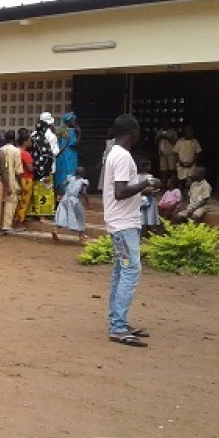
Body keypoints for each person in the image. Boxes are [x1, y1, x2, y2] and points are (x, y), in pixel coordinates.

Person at [103, 113, 158, 347]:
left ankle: (118, 321)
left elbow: (121, 190)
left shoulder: (114, 153)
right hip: (123, 224)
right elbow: (120, 192)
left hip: (121, 222)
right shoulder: (123, 156)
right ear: (132, 132)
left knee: (121, 271)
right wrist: (146, 182)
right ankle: (117, 326)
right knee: (131, 271)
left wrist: (141, 190)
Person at [28, 113, 58, 219]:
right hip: (47, 169)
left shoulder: (32, 135)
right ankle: (44, 214)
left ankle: (34, 213)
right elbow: (54, 153)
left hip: (33, 168)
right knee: (46, 191)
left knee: (35, 191)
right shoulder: (51, 136)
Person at [53, 166, 90, 242]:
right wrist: (88, 203)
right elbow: (84, 192)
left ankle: (55, 230)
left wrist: (59, 195)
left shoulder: (70, 178)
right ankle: (81, 235)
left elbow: (61, 185)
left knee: (63, 215)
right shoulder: (83, 181)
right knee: (80, 216)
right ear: (84, 173)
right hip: (74, 200)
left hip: (65, 199)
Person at [0, 130, 22, 234]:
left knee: (1, 201)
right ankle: (6, 226)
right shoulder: (16, 151)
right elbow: (18, 170)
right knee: (11, 202)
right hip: (11, 179)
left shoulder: (0, 149)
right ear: (14, 139)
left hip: (0, 179)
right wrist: (20, 184)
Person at [54, 112, 80, 195]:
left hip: (62, 155)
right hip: (70, 155)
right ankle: (68, 193)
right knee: (70, 173)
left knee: (62, 174)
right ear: (68, 121)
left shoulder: (61, 130)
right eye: (72, 120)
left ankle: (60, 194)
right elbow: (75, 144)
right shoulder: (72, 131)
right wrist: (79, 133)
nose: (74, 121)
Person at [14, 129, 35, 231]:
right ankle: (19, 223)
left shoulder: (16, 151)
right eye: (29, 140)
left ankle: (16, 221)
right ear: (25, 142)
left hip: (18, 178)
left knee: (19, 202)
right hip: (26, 179)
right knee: (24, 202)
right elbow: (30, 168)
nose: (31, 142)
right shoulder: (25, 154)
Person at [137, 159, 160, 237]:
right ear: (147, 167)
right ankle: (151, 235)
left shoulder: (136, 176)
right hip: (149, 199)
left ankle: (142, 236)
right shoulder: (150, 177)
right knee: (150, 217)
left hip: (140, 199)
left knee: (142, 218)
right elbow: (153, 187)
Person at [155, 119, 178, 184]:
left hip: (171, 153)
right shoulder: (159, 131)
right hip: (162, 154)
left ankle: (172, 184)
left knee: (172, 170)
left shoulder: (173, 132)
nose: (165, 124)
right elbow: (155, 142)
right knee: (163, 171)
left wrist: (166, 137)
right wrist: (159, 137)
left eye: (166, 123)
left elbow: (176, 143)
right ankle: (164, 186)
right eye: (164, 123)